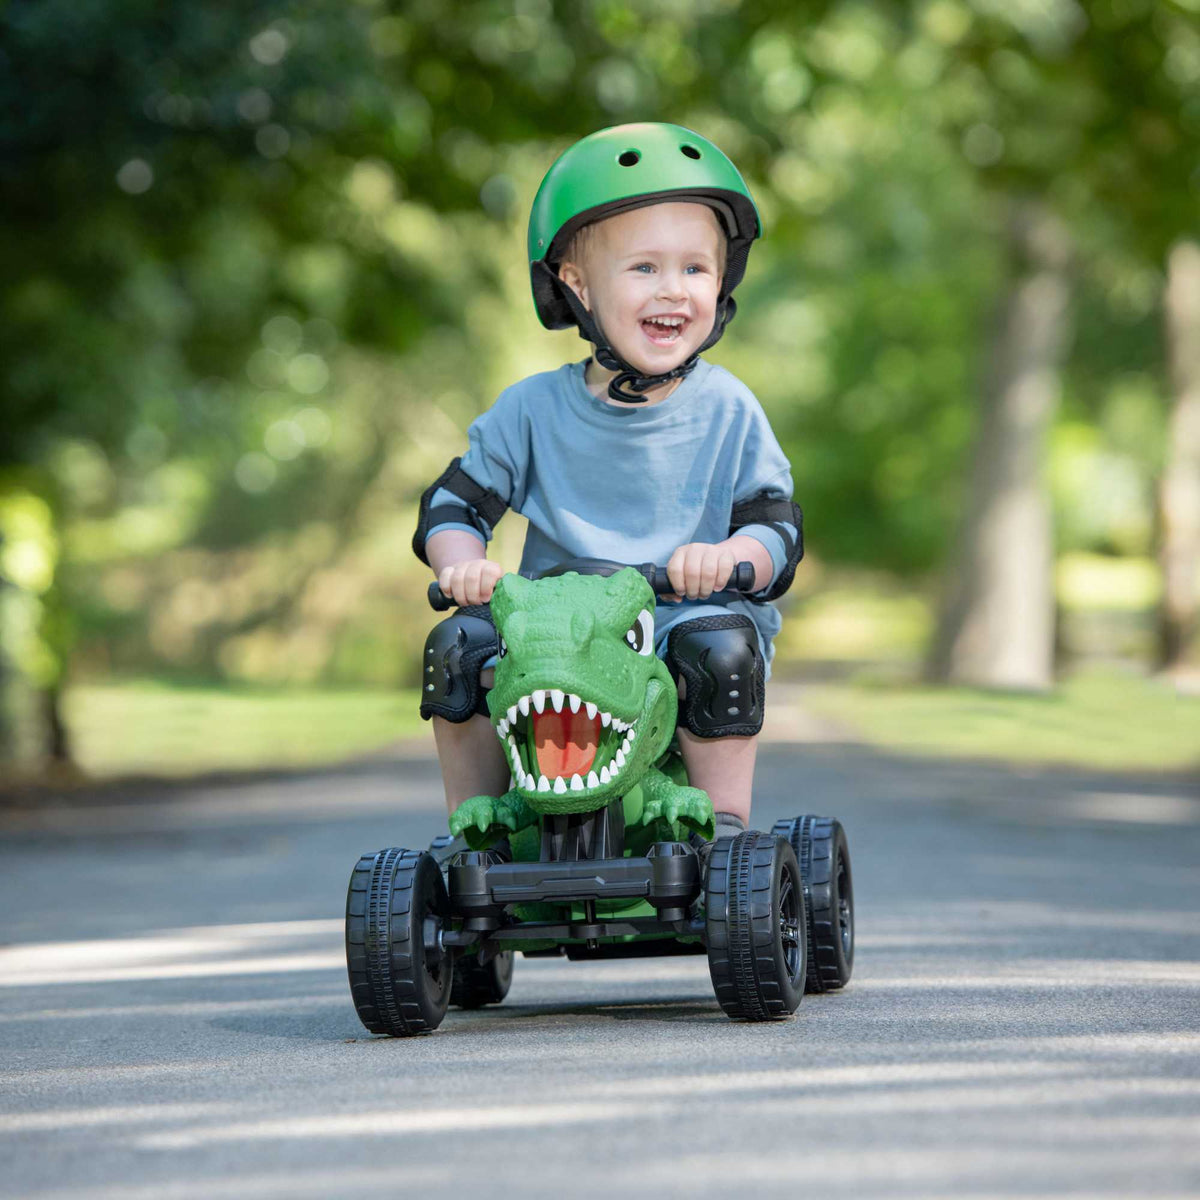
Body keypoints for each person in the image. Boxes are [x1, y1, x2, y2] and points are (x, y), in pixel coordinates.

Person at [412, 122, 802, 845]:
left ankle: (722, 829)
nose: (674, 291)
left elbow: (777, 525)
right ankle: (473, 832)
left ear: (723, 283)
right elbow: (452, 503)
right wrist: (461, 564)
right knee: (458, 646)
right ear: (577, 283)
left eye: (695, 269)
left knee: (720, 648)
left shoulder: (726, 409)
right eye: (645, 268)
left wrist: (732, 559)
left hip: (676, 617)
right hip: (550, 635)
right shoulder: (532, 410)